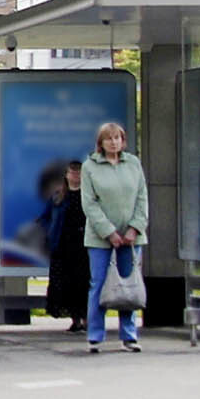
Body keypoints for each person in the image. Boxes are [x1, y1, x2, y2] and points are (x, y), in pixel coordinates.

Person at [81, 120, 148, 351]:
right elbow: (89, 204)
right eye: (108, 138)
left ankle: (129, 336)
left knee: (128, 286)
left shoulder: (133, 164)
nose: (113, 142)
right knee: (99, 284)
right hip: (100, 239)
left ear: (123, 140)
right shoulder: (89, 167)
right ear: (101, 142)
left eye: (117, 138)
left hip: (131, 238)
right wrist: (109, 232)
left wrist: (134, 228)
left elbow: (142, 199)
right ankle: (95, 336)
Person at [45, 158, 90, 333]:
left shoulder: (89, 195)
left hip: (84, 245)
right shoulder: (57, 196)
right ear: (66, 174)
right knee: (66, 283)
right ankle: (75, 320)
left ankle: (87, 319)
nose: (75, 175)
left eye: (79, 172)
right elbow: (47, 217)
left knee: (84, 282)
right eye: (72, 172)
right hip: (63, 246)